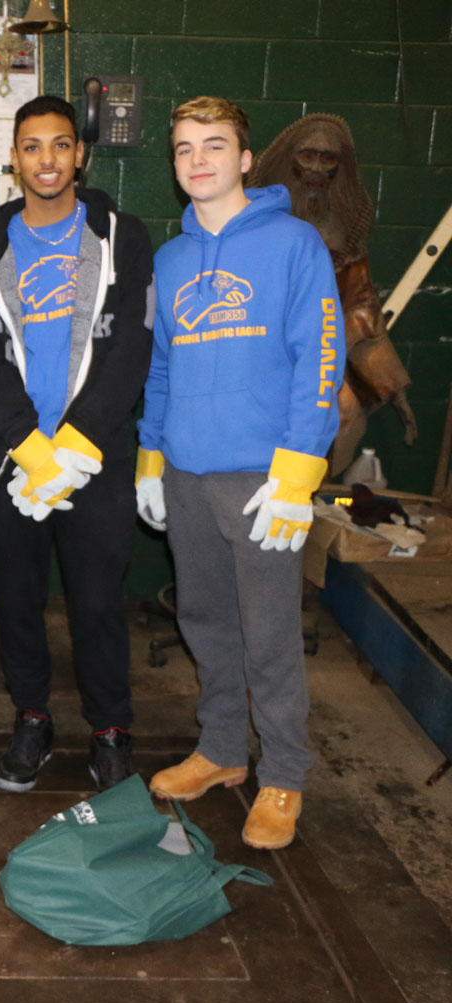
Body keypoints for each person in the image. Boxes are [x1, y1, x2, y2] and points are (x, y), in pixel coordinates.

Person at [137, 96, 345, 849]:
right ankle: (222, 750)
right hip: (188, 474)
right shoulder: (171, 257)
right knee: (207, 623)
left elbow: (321, 358)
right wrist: (151, 457)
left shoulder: (294, 244)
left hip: (262, 478)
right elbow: (161, 367)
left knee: (269, 634)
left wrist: (297, 472)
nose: (198, 159)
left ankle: (284, 773)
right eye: (185, 147)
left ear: (247, 160)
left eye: (214, 145)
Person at [0, 95, 154, 793]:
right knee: (15, 596)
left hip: (94, 455)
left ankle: (110, 729)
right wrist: (28, 442)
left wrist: (76, 439)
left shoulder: (121, 235)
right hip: (13, 459)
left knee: (97, 598)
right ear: (13, 160)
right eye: (32, 146)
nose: (47, 159)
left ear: (81, 154)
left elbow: (133, 344)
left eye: (60, 145)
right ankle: (32, 717)